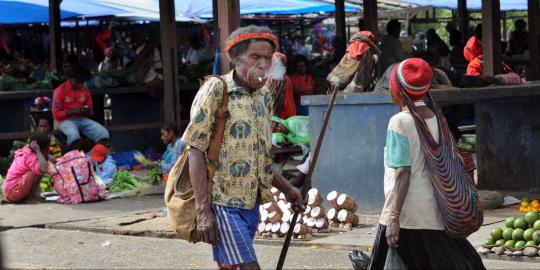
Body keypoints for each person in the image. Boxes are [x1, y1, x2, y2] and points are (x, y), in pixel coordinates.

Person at [182, 25, 305, 270]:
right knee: (250, 267)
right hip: (222, 204)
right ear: (236, 59)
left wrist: (288, 188)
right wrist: (203, 210)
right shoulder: (217, 89)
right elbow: (194, 149)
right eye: (254, 57)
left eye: (267, 58)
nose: (262, 64)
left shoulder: (264, 98)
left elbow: (262, 159)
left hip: (251, 205)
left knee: (231, 266)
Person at [368, 58, 485, 270]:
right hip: (434, 213)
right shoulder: (436, 117)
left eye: (391, 86)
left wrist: (393, 216)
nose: (389, 91)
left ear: (398, 90)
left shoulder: (399, 121)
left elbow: (403, 171)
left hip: (407, 215)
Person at [52, 64, 110, 150]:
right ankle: (75, 159)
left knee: (103, 133)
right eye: (78, 81)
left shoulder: (85, 90)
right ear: (71, 78)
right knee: (74, 136)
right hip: (64, 121)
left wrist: (86, 111)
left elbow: (90, 111)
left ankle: (92, 156)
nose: (80, 84)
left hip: (82, 119)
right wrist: (75, 111)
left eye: (82, 82)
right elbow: (56, 115)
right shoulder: (60, 90)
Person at [2, 133, 49, 203]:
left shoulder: (27, 149)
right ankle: (30, 198)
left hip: (9, 191)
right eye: (47, 147)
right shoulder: (30, 157)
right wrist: (38, 150)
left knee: (37, 169)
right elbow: (44, 169)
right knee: (37, 171)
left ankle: (30, 196)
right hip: (13, 192)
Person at [266, 52, 296, 120]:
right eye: (273, 61)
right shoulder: (268, 78)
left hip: (277, 119)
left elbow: (288, 103)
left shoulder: (284, 79)